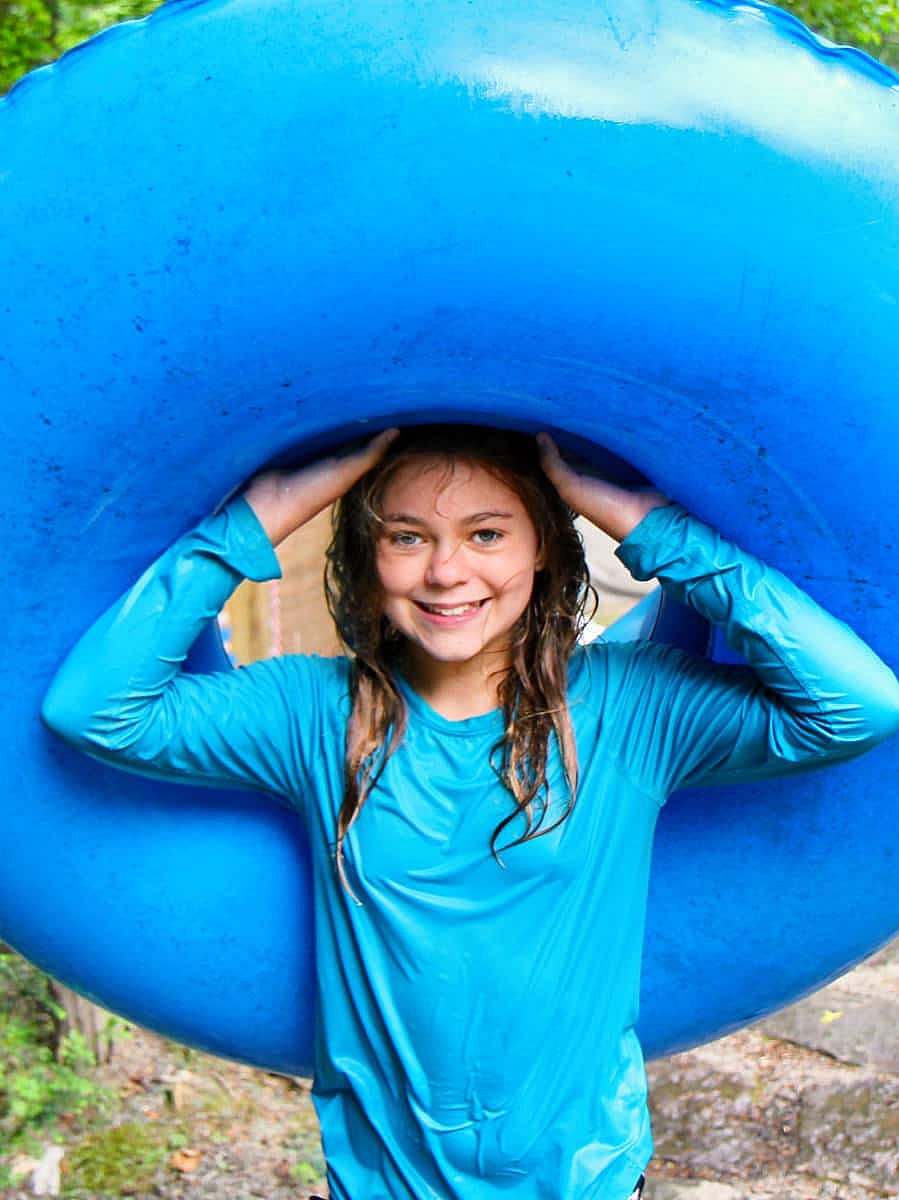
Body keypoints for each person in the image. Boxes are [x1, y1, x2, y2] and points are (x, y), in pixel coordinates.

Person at [41, 424, 899, 1200]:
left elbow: (855, 706)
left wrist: (646, 524)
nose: (446, 571)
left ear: (543, 552)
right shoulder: (313, 716)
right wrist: (259, 516)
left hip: (584, 1180)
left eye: (486, 533)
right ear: (364, 559)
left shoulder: (631, 711)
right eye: (406, 537)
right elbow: (95, 711)